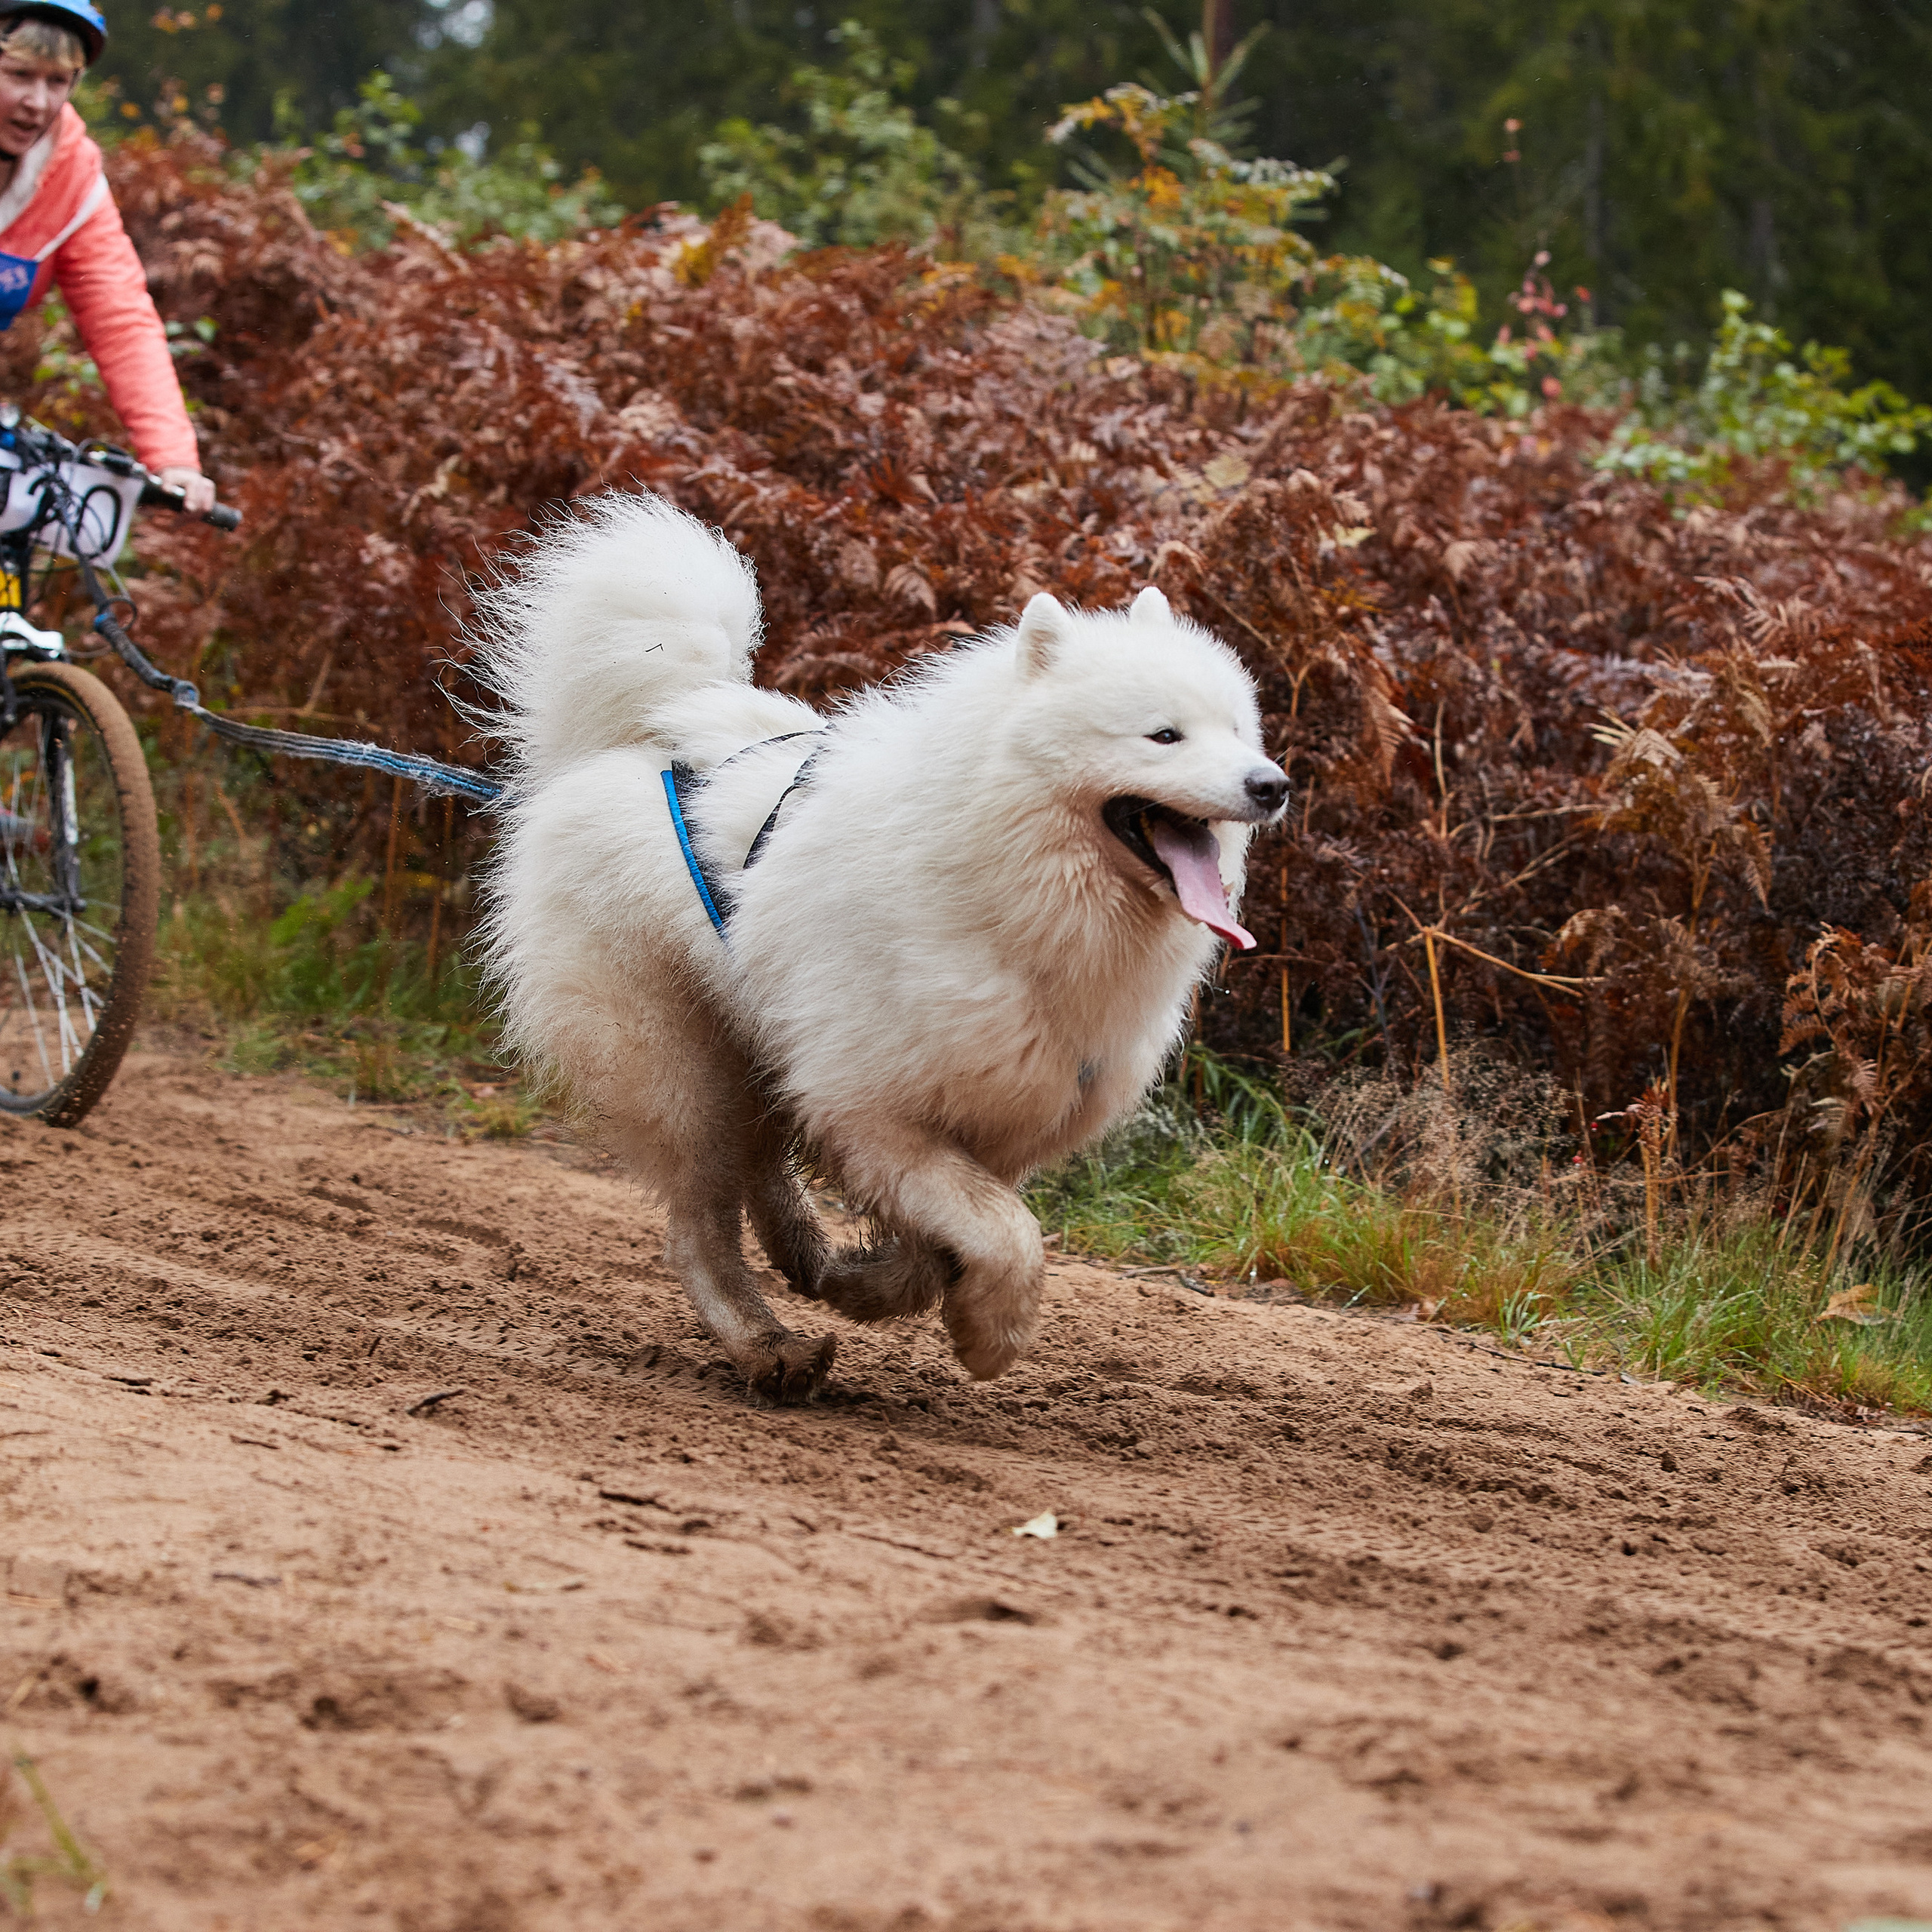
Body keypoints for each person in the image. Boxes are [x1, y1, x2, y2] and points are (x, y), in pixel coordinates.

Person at [0, 0, 214, 511]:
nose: (37, 102)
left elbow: (120, 318)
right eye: (19, 75)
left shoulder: (70, 176)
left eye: (59, 81)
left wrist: (173, 459)